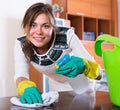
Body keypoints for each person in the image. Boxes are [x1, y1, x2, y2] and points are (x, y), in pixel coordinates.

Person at [14, 2, 101, 104]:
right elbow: (21, 74)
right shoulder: (21, 44)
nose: (38, 32)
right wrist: (25, 86)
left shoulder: (67, 36)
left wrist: (85, 65)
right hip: (56, 87)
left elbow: (99, 74)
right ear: (26, 26)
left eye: (45, 26)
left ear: (53, 27)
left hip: (82, 86)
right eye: (33, 25)